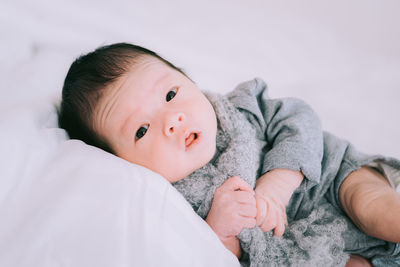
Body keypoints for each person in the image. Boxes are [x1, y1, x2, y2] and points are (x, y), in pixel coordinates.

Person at [58, 43, 400, 266]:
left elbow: (299, 118)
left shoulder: (239, 107)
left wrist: (276, 185)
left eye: (171, 93)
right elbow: (213, 256)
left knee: (374, 212)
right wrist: (220, 233)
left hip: (333, 180)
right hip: (306, 248)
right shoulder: (173, 203)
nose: (172, 120)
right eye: (141, 130)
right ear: (120, 162)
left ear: (188, 78)